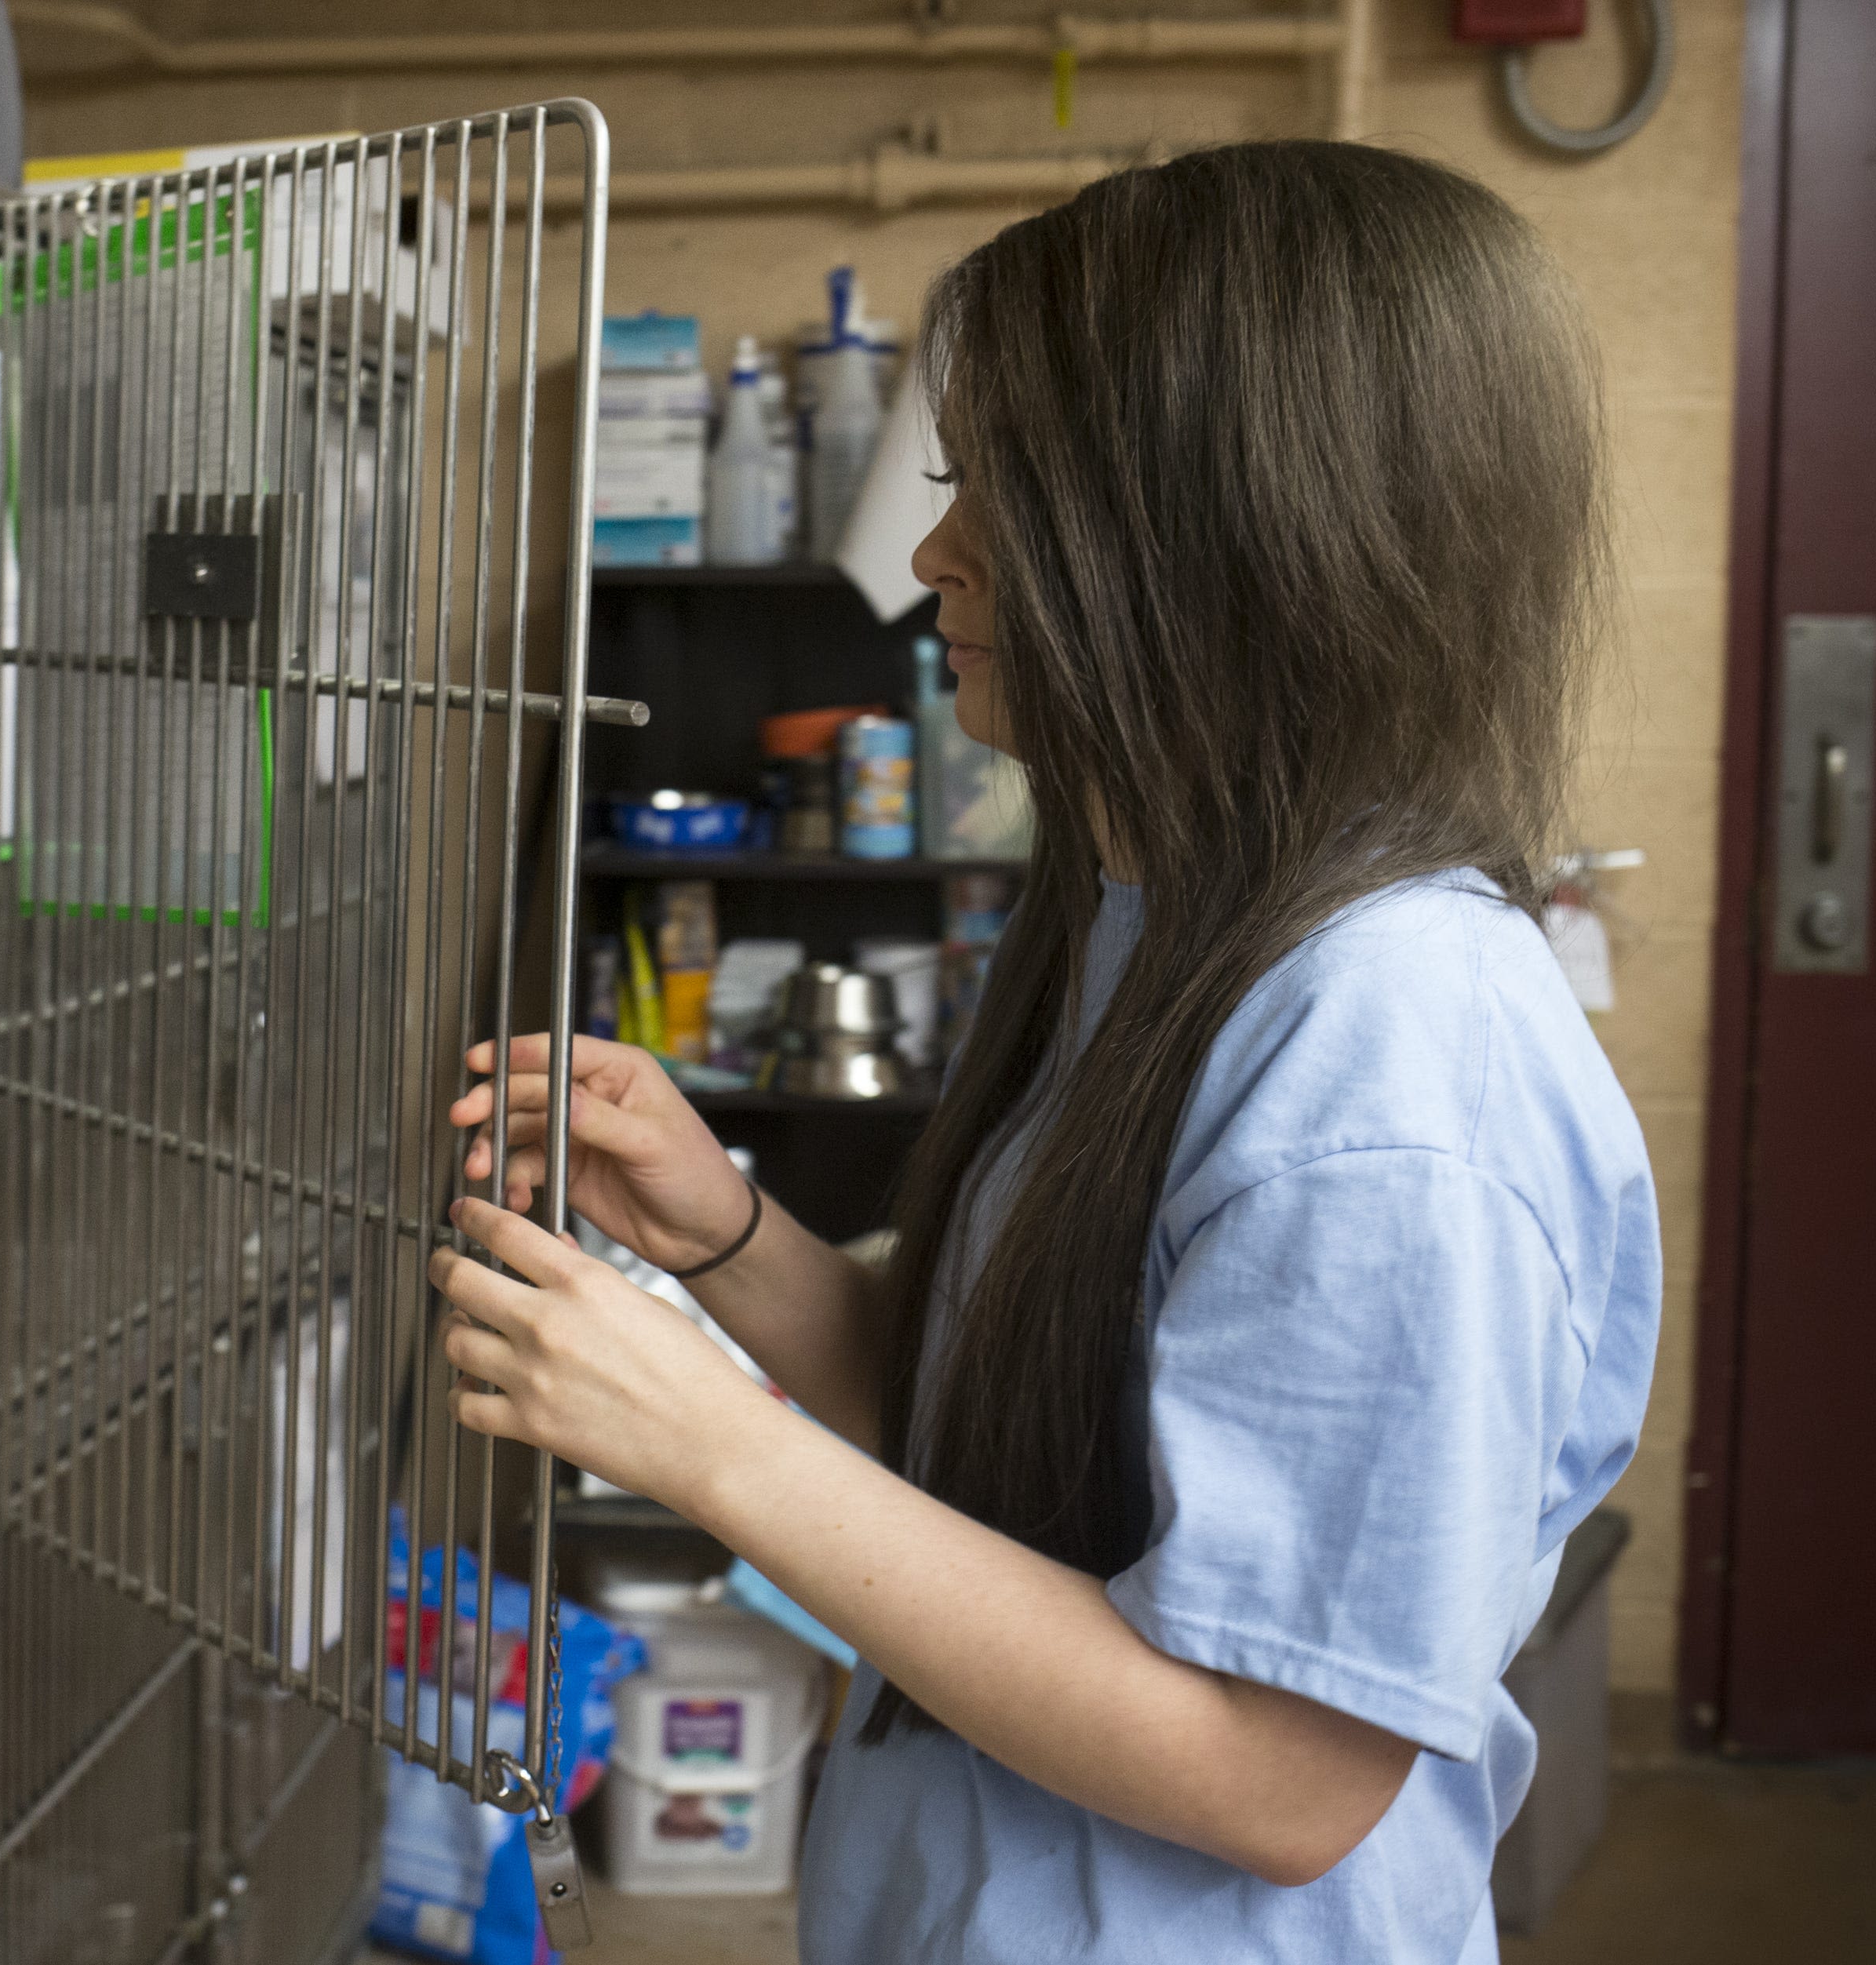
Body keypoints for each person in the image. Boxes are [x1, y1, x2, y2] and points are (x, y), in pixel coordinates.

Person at [430, 140, 1659, 1963]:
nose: (932, 558)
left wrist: (709, 1449)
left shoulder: (1400, 1069)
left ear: (1226, 534)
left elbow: (1277, 1773)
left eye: (994, 495)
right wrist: (724, 1239)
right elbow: (1021, 1464)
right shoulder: (1157, 917)